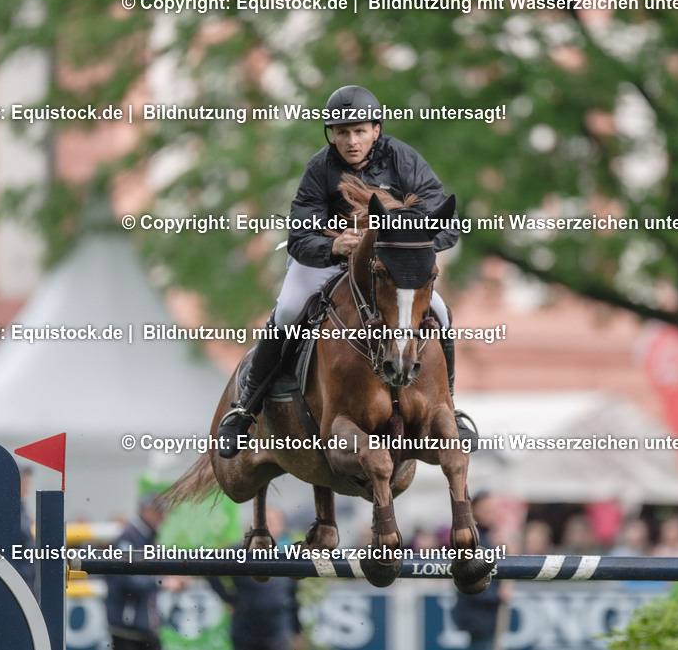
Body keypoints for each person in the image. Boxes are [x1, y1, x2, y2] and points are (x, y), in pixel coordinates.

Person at [217, 84, 475, 458]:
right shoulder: (320, 168)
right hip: (327, 262)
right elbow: (298, 236)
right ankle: (244, 409)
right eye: (342, 132)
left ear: (376, 130)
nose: (352, 141)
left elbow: (446, 225)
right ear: (332, 135)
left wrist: (403, 247)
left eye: (359, 131)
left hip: (389, 268)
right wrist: (332, 245)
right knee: (289, 308)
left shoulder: (404, 160)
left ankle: (450, 406)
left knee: (440, 313)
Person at [209, 508, 302, 650]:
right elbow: (209, 568)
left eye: (273, 522)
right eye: (264, 522)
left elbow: (292, 596)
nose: (269, 526)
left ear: (282, 526)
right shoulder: (238, 552)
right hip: (246, 628)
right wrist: (229, 598)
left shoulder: (290, 555)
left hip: (279, 631)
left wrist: (297, 631)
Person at [105, 493, 169, 650]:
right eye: (159, 512)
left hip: (140, 627)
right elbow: (128, 579)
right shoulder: (129, 538)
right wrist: (162, 582)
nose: (163, 518)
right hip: (128, 629)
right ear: (145, 511)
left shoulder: (145, 538)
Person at [452, 492, 508, 650]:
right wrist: (498, 595)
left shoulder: (488, 537)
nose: (492, 514)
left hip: (484, 614)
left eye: (493, 509)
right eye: (487, 509)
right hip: (478, 612)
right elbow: (471, 577)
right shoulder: (473, 540)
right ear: (475, 510)